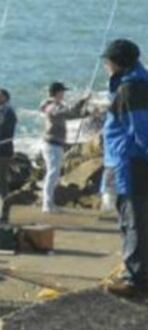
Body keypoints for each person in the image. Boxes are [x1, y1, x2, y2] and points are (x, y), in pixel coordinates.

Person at [101, 39, 148, 297]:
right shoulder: (138, 82)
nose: (106, 66)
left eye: (108, 61)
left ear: (117, 63)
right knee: (134, 220)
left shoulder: (131, 89)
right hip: (128, 161)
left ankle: (135, 279)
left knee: (133, 221)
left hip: (130, 164)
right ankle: (136, 272)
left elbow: (142, 131)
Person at [40, 82, 90, 214]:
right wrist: (82, 100)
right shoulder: (50, 106)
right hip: (51, 144)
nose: (64, 94)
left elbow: (71, 115)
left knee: (54, 174)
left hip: (56, 144)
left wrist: (86, 112)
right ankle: (47, 204)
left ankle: (50, 203)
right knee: (52, 173)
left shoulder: (56, 106)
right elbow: (65, 112)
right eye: (62, 92)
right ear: (57, 93)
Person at [0, 88, 18, 221]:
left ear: (5, 98)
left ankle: (2, 213)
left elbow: (0, 130)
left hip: (2, 150)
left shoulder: (8, 112)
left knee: (0, 182)